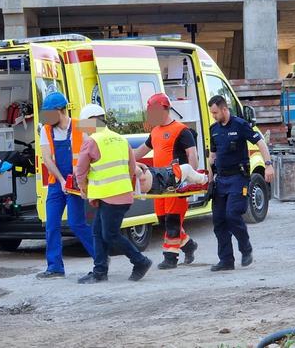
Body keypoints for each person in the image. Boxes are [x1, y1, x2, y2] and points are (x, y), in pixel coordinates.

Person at [75, 104, 152, 284]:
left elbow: (80, 171)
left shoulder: (92, 141)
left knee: (110, 234)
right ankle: (99, 270)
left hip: (109, 196)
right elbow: (132, 168)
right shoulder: (120, 139)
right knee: (97, 232)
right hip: (122, 195)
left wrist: (83, 189)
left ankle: (140, 261)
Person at [207, 95, 274, 272]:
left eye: (215, 112)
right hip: (221, 180)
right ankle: (226, 260)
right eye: (211, 113)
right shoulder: (213, 129)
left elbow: (261, 143)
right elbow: (212, 156)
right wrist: (209, 179)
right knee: (219, 220)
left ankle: (246, 249)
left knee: (232, 215)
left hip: (238, 178)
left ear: (223, 109)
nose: (213, 115)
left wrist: (268, 166)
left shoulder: (240, 125)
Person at [134, 93, 199, 269]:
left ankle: (170, 258)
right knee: (164, 220)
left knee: (172, 220)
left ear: (164, 109)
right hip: (159, 185)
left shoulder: (181, 130)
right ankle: (189, 245)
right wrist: (125, 160)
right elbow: (140, 151)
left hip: (176, 184)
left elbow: (192, 155)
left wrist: (189, 182)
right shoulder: (154, 132)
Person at [36, 92, 95, 279]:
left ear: (61, 111)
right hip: (57, 183)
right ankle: (55, 267)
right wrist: (61, 181)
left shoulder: (83, 124)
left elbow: (104, 137)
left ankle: (100, 259)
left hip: (77, 183)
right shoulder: (45, 129)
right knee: (51, 224)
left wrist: (82, 180)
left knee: (76, 224)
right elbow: (46, 158)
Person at [135, 162, 208, 194]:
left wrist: (141, 165)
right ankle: (205, 180)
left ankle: (198, 177)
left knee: (186, 172)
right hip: (161, 180)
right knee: (187, 168)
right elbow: (138, 171)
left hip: (159, 179)